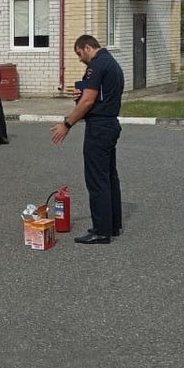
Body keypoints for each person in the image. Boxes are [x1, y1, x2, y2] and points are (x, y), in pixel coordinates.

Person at [50, 34, 125, 245]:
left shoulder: (96, 65)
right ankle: (113, 225)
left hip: (99, 128)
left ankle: (101, 231)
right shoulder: (112, 63)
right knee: (109, 177)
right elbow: (94, 95)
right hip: (110, 124)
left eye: (79, 54)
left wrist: (66, 124)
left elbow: (88, 102)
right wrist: (81, 94)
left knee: (97, 180)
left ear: (87, 47)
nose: (80, 59)